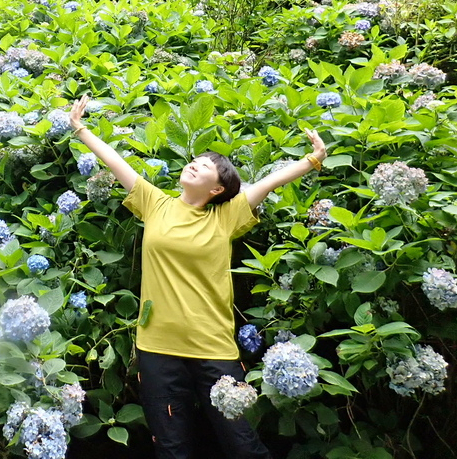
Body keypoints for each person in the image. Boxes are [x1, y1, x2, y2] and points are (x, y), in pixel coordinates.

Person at [68, 93, 328, 459]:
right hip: (158, 347)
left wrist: (313, 159)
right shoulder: (154, 202)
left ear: (217, 188)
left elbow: (269, 182)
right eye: (195, 160)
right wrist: (80, 128)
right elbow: (115, 162)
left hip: (213, 348)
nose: (194, 164)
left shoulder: (227, 216)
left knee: (242, 443)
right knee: (172, 449)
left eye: (206, 166)